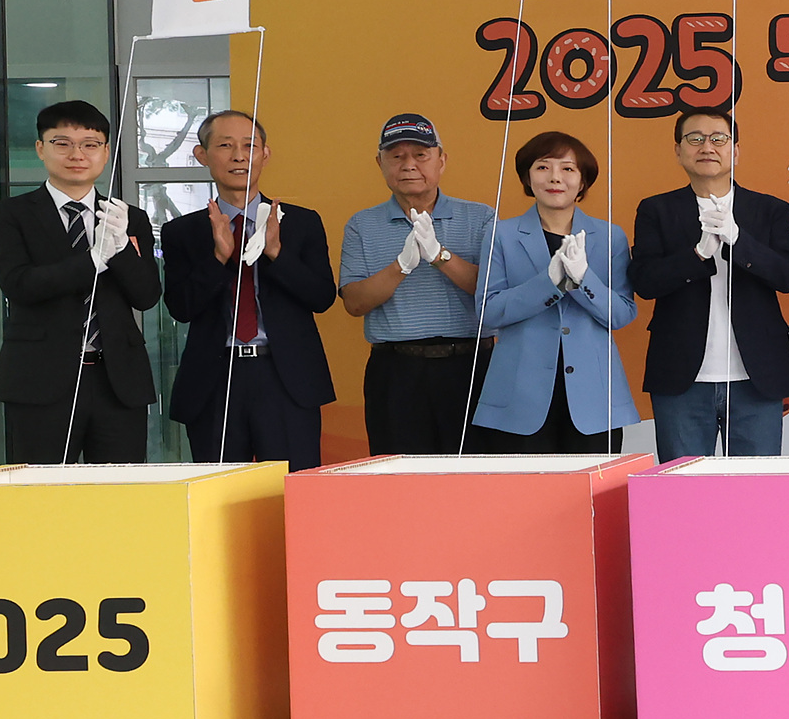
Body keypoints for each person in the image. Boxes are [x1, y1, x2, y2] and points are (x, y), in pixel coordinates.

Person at [0, 99, 160, 463]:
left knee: (120, 489)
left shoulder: (129, 217)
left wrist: (120, 251)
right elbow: (20, 285)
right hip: (40, 380)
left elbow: (146, 296)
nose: (77, 154)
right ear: (40, 148)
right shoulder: (10, 213)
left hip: (118, 381)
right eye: (62, 143)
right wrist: (93, 260)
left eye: (90, 144)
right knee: (42, 490)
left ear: (106, 152)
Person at [161, 111, 337, 470]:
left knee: (291, 488)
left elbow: (322, 297)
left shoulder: (300, 222)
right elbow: (181, 307)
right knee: (219, 490)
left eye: (249, 146)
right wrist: (218, 258)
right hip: (214, 380)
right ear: (201, 155)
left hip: (285, 377)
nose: (239, 156)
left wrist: (277, 254)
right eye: (225, 146)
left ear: (265, 154)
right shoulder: (183, 231)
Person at [630, 109, 789, 461]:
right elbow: (644, 282)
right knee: (683, 486)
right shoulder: (656, 210)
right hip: (681, 377)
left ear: (734, 151)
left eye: (718, 139)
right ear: (678, 150)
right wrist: (697, 255)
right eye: (695, 139)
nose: (707, 147)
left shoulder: (769, 209)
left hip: (757, 376)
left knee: (754, 486)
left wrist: (739, 240)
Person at [468, 130, 638, 453]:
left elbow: (621, 313)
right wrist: (550, 284)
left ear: (583, 181)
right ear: (527, 178)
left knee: (592, 482)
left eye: (568, 169)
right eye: (543, 167)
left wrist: (583, 278)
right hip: (519, 395)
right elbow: (488, 311)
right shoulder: (501, 234)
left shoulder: (610, 236)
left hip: (593, 397)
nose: (555, 177)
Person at [338, 114, 497, 454]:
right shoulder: (361, 224)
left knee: (477, 472)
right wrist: (402, 266)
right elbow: (354, 302)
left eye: (421, 155)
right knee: (400, 474)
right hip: (396, 371)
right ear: (380, 163)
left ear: (442, 160)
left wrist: (440, 256)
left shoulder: (481, 217)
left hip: (470, 365)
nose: (409, 165)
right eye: (396, 156)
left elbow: (491, 290)